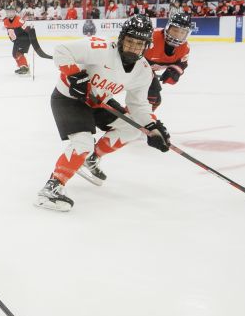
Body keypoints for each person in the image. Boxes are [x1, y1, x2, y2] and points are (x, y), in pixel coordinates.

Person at [36, 15, 171, 211]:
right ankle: (52, 187)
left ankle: (92, 158)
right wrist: (75, 76)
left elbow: (138, 105)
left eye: (139, 44)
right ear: (121, 38)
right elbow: (61, 51)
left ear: (146, 46)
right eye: (130, 41)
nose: (133, 47)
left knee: (133, 128)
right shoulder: (101, 49)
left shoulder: (143, 71)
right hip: (69, 99)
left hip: (99, 101)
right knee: (82, 143)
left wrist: (153, 127)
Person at [144, 12, 192, 111]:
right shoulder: (151, 38)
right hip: (134, 68)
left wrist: (174, 71)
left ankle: (140, 117)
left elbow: (182, 63)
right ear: (167, 28)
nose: (178, 35)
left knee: (156, 100)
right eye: (175, 30)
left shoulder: (184, 48)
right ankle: (140, 118)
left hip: (147, 70)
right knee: (152, 95)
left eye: (182, 33)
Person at [1, 8, 50, 75]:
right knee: (14, 54)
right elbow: (10, 31)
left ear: (14, 12)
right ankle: (22, 67)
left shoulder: (18, 19)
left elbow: (26, 28)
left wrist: (31, 29)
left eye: (12, 12)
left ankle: (25, 68)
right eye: (9, 12)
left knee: (18, 53)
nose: (10, 13)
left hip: (25, 38)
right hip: (18, 39)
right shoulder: (5, 21)